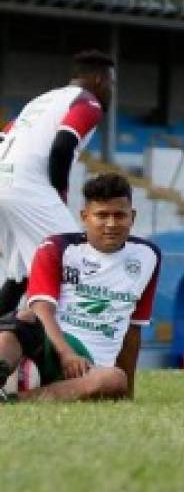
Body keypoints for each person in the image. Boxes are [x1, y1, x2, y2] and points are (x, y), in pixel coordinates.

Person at [0, 172, 159, 402]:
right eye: (102, 216)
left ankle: (15, 400)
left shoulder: (148, 256)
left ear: (132, 216)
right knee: (22, 319)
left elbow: (134, 328)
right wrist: (66, 354)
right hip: (51, 344)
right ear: (85, 216)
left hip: (89, 367)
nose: (111, 224)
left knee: (115, 379)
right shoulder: (57, 247)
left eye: (119, 215)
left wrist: (127, 393)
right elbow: (41, 309)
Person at [0, 50, 115, 316]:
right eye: (112, 84)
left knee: (21, 277)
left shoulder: (41, 101)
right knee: (78, 265)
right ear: (99, 80)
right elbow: (63, 145)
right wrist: (58, 190)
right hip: (27, 188)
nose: (111, 91)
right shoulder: (88, 103)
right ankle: (60, 351)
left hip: (5, 180)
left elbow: (4, 136)